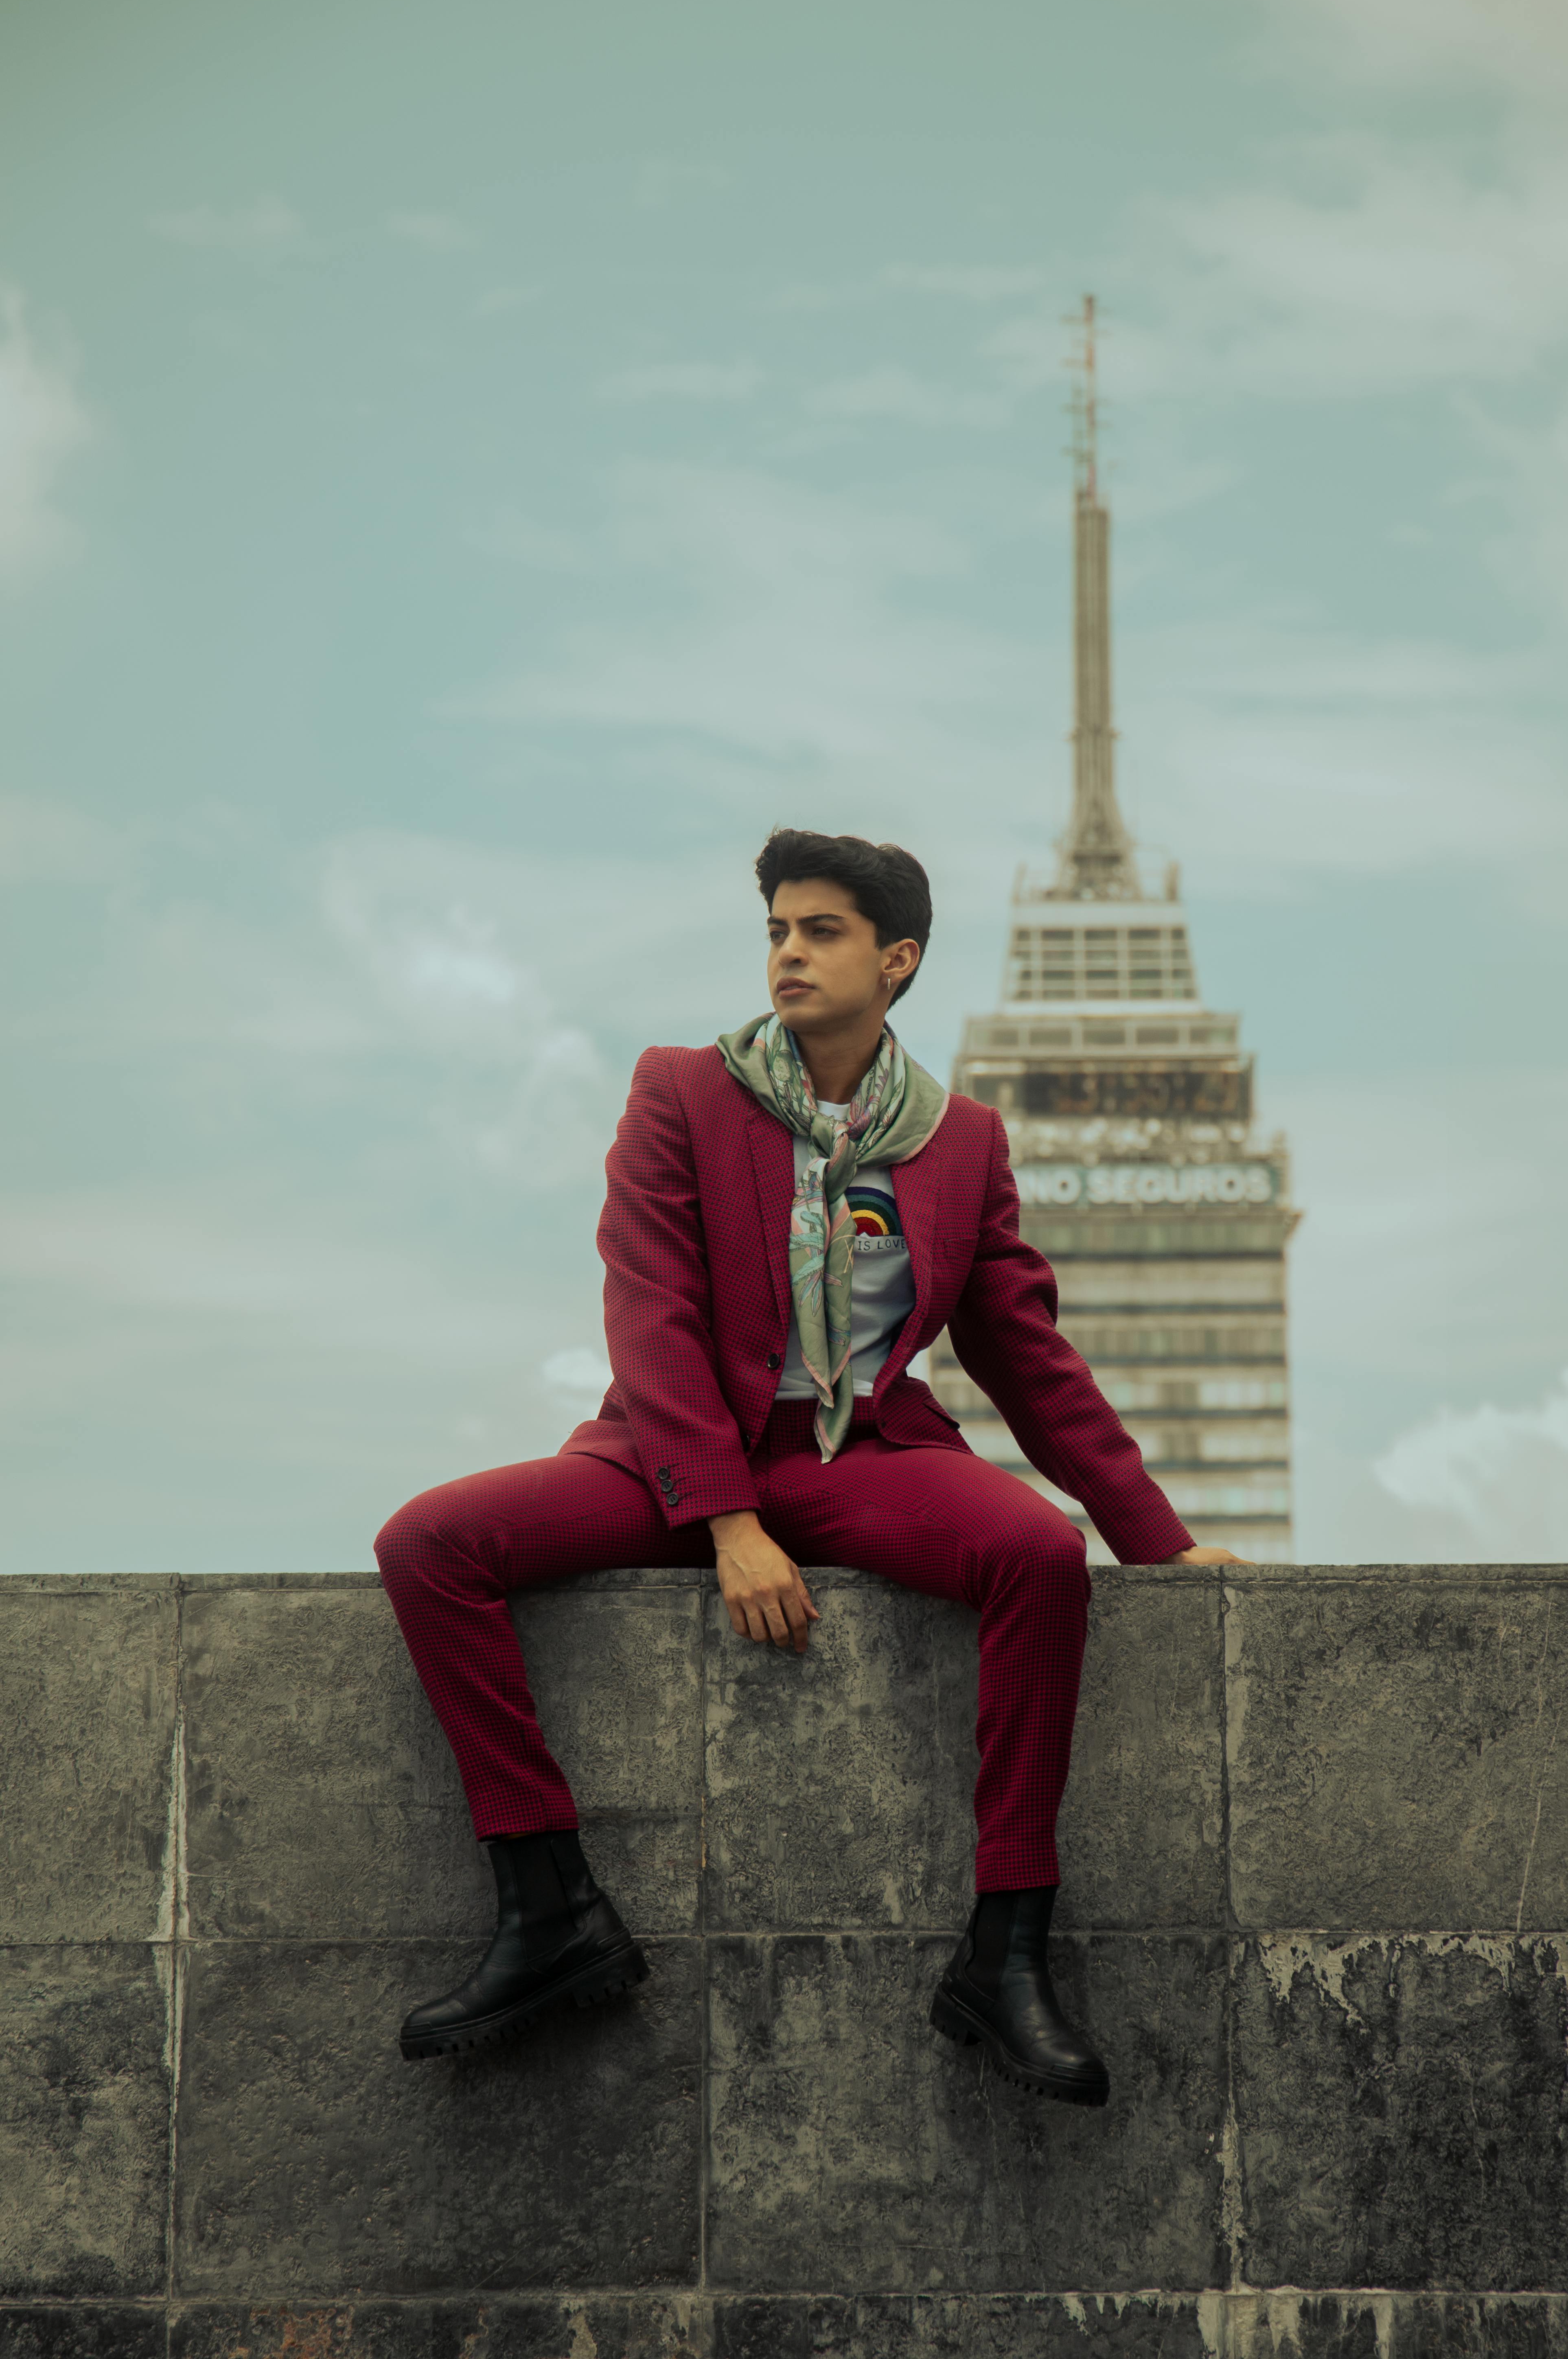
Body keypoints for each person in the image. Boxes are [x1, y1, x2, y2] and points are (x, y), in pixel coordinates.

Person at [374, 828, 1240, 2104]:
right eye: (777, 928)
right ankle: (549, 1906)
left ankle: (1004, 1953)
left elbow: (1025, 1357)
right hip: (674, 1457)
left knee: (1041, 1555)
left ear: (896, 961)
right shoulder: (681, 1090)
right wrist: (726, 1523)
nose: (788, 951)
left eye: (821, 930)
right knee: (428, 1543)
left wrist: (1154, 1540)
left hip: (856, 1455)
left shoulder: (959, 1141)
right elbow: (651, 1313)